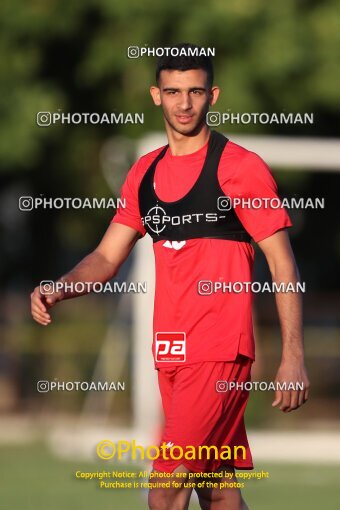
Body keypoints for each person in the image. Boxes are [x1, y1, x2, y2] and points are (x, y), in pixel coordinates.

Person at [31, 43, 310, 510]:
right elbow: (105, 257)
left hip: (220, 353)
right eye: (173, 91)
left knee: (165, 490)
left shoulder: (240, 169)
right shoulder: (144, 173)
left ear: (213, 96)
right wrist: (61, 286)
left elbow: (284, 264)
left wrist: (293, 356)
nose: (184, 103)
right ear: (155, 96)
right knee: (217, 491)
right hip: (171, 356)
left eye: (195, 91)